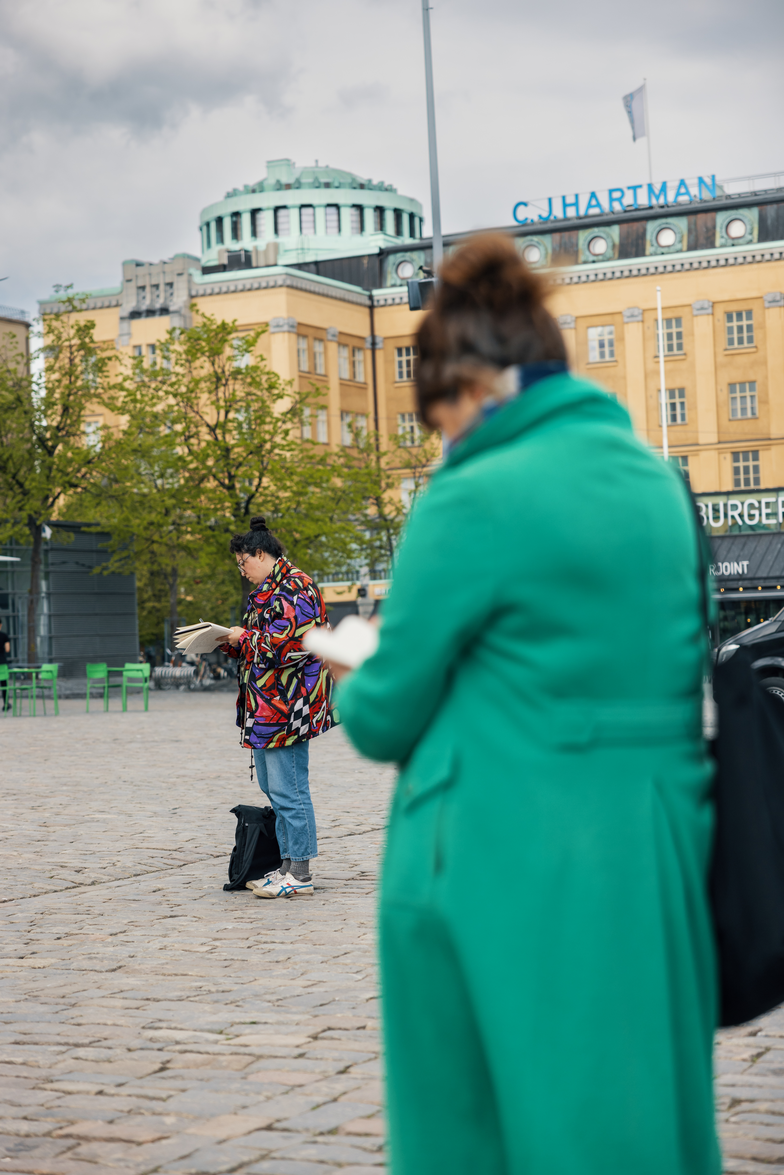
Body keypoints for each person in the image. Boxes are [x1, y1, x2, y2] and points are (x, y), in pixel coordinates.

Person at [334, 236, 719, 1174]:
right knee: (632, 1117)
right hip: (655, 847)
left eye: (441, 418)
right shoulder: (657, 484)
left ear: (471, 386)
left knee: (483, 1128)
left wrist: (357, 665)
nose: (444, 440)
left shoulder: (472, 495)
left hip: (496, 853)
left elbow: (385, 714)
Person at [221, 515, 334, 898]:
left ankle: (300, 873)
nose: (242, 571)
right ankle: (286, 866)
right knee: (274, 786)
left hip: (289, 705)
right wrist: (230, 641)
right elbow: (263, 642)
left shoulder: (295, 587)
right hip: (267, 705)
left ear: (260, 554)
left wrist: (244, 638)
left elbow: (289, 647)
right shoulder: (271, 589)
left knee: (290, 788)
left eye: (243, 563)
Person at [0, 619, 10, 711]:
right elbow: (7, 649)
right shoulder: (4, 636)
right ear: (1, 625)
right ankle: (6, 704)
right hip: (2, 663)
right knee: (4, 685)